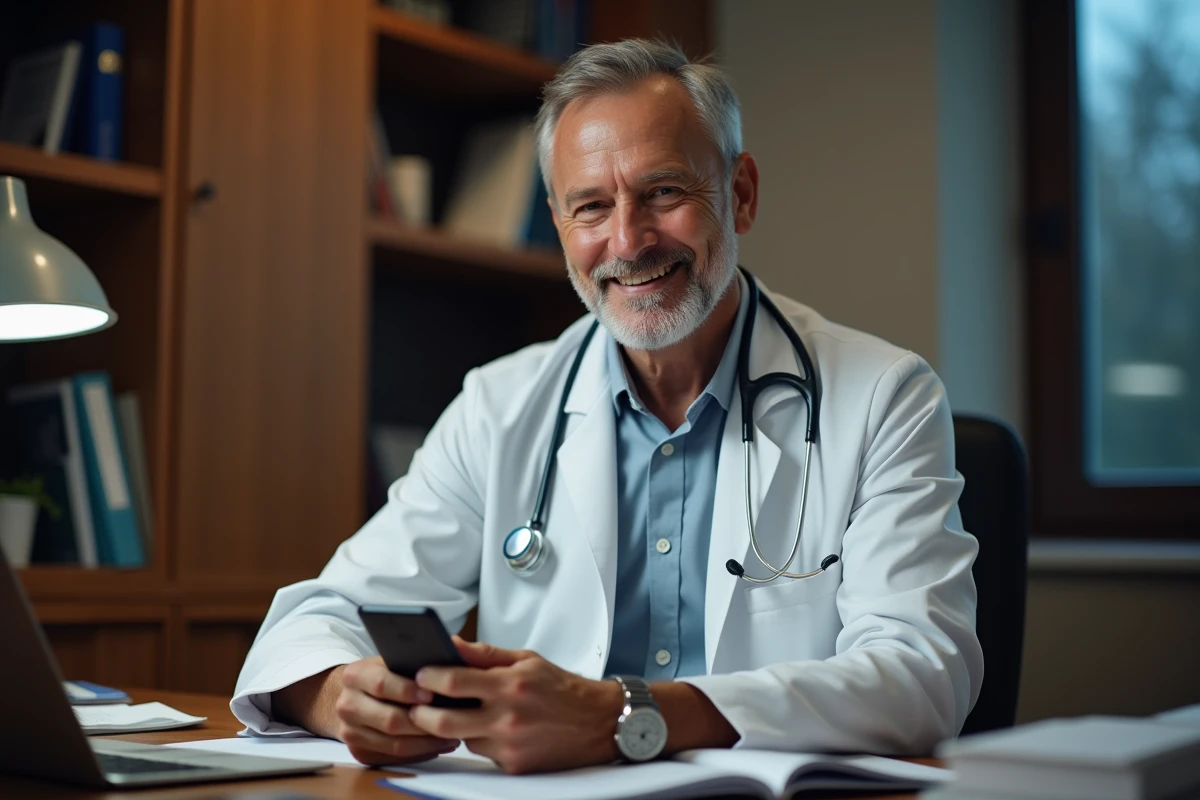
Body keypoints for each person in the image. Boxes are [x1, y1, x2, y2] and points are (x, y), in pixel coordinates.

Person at [233, 38, 983, 775]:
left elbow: (922, 673)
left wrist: (625, 716)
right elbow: (318, 619)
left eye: (663, 192)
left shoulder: (885, 396)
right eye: (591, 206)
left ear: (741, 194)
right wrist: (340, 697)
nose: (628, 241)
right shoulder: (501, 405)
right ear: (559, 226)